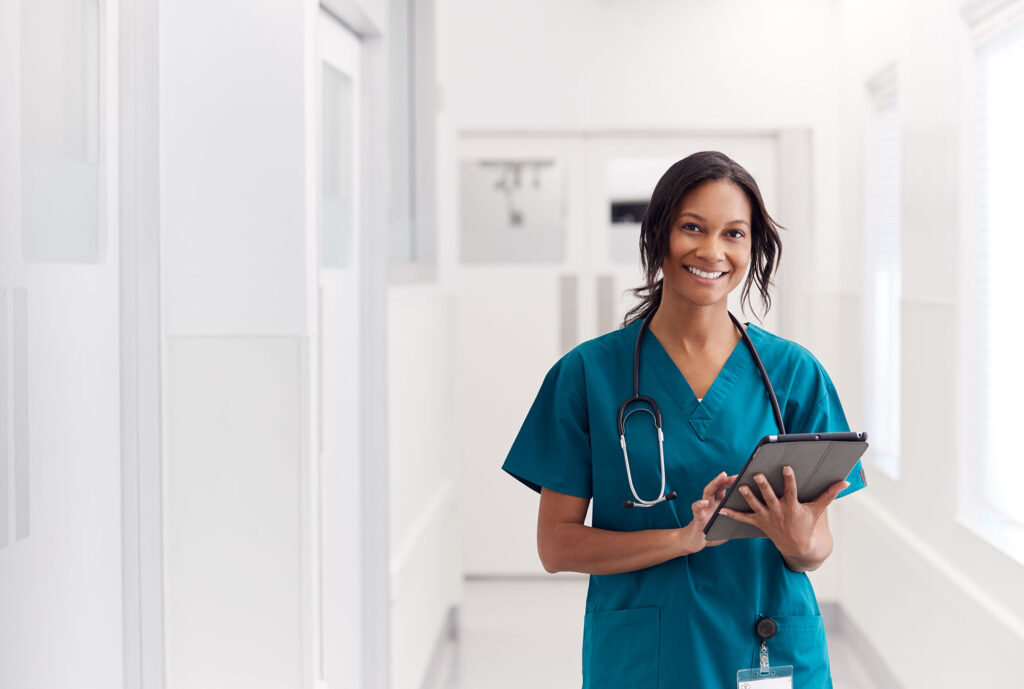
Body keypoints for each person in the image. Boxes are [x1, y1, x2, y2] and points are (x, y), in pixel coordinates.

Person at [501, 150, 867, 689]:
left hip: (767, 649)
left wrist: (796, 539)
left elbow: (815, 549)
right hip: (646, 659)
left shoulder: (792, 374)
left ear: (753, 246)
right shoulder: (586, 375)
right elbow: (556, 546)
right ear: (658, 236)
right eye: (692, 228)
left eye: (734, 234)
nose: (712, 251)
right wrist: (682, 538)